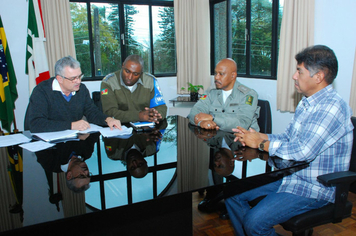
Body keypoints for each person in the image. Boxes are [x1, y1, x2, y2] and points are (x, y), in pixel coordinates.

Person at [227, 45, 354, 236]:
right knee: (231, 194)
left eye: (299, 71)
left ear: (318, 77)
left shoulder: (332, 108)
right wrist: (260, 136)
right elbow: (288, 139)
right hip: (292, 176)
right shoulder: (307, 102)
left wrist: (261, 144)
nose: (294, 76)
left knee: (254, 223)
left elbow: (303, 151)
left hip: (315, 188)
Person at [24, 56, 122, 133]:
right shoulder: (42, 91)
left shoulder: (82, 90)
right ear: (59, 79)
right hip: (48, 147)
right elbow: (36, 124)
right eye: (73, 78)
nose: (78, 81)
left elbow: (92, 112)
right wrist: (71, 126)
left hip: (73, 142)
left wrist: (107, 119)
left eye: (79, 76)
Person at [187, 58, 260, 131]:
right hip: (218, 138)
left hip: (242, 139)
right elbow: (194, 112)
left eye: (221, 74)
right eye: (215, 73)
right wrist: (201, 122)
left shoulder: (248, 95)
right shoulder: (211, 92)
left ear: (233, 75)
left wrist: (213, 118)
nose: (216, 77)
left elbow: (243, 123)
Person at [100, 55, 167, 124]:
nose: (130, 77)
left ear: (141, 73)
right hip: (119, 128)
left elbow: (161, 107)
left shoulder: (150, 81)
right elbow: (110, 113)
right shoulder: (109, 82)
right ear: (123, 65)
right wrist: (139, 116)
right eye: (127, 71)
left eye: (135, 74)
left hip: (145, 129)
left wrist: (156, 115)